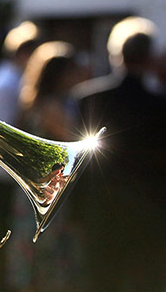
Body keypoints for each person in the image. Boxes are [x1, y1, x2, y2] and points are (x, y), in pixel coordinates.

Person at [72, 16, 166, 291]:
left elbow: (80, 164)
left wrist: (76, 213)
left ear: (117, 55)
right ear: (150, 58)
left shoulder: (88, 97)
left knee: (102, 282)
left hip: (101, 211)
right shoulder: (161, 105)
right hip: (150, 213)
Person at [5, 41, 86, 292]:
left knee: (33, 256)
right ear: (60, 75)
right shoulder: (52, 107)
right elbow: (79, 142)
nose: (77, 76)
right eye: (72, 71)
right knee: (48, 258)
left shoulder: (34, 103)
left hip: (34, 191)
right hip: (50, 192)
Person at [0, 21, 40, 292]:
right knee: (3, 246)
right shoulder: (8, 83)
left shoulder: (6, 79)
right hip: (2, 176)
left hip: (0, 174)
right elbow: (4, 133)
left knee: (6, 246)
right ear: (23, 53)